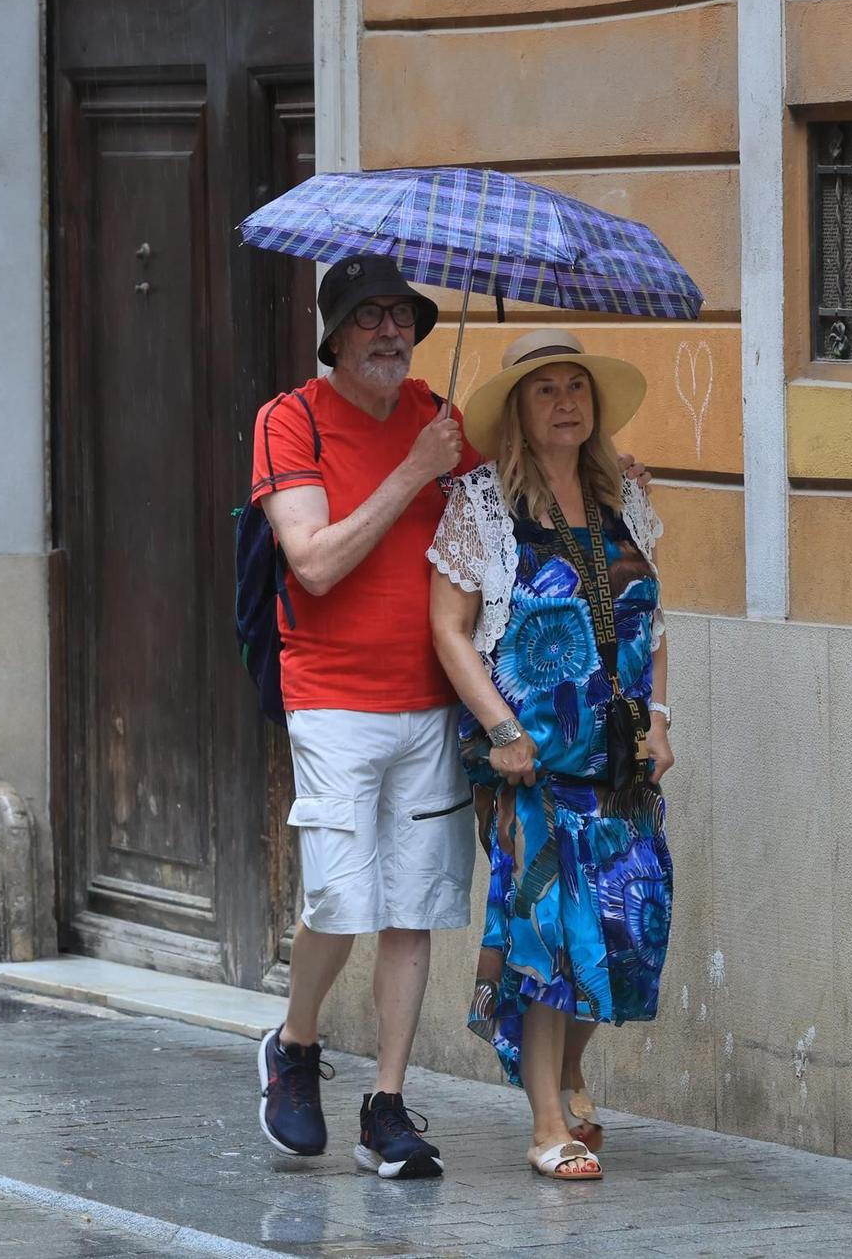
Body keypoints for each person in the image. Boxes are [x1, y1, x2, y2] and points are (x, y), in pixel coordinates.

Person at [248, 253, 481, 1179]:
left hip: (431, 701)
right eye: (369, 316)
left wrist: (606, 481)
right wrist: (413, 473)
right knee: (342, 897)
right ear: (335, 334)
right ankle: (295, 1044)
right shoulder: (290, 419)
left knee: (414, 905)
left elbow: (512, 514)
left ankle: (387, 1103)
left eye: (402, 316)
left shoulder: (441, 418)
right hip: (332, 698)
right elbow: (313, 561)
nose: (391, 330)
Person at [426, 329, 674, 1181]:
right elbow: (450, 631)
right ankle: (544, 1125)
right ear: (518, 413)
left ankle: (568, 1067)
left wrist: (662, 719)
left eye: (578, 387)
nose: (566, 401)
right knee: (545, 943)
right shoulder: (484, 507)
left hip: (619, 763)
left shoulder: (624, 498)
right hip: (527, 764)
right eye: (545, 389)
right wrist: (502, 729)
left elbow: (653, 618)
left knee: (627, 926)